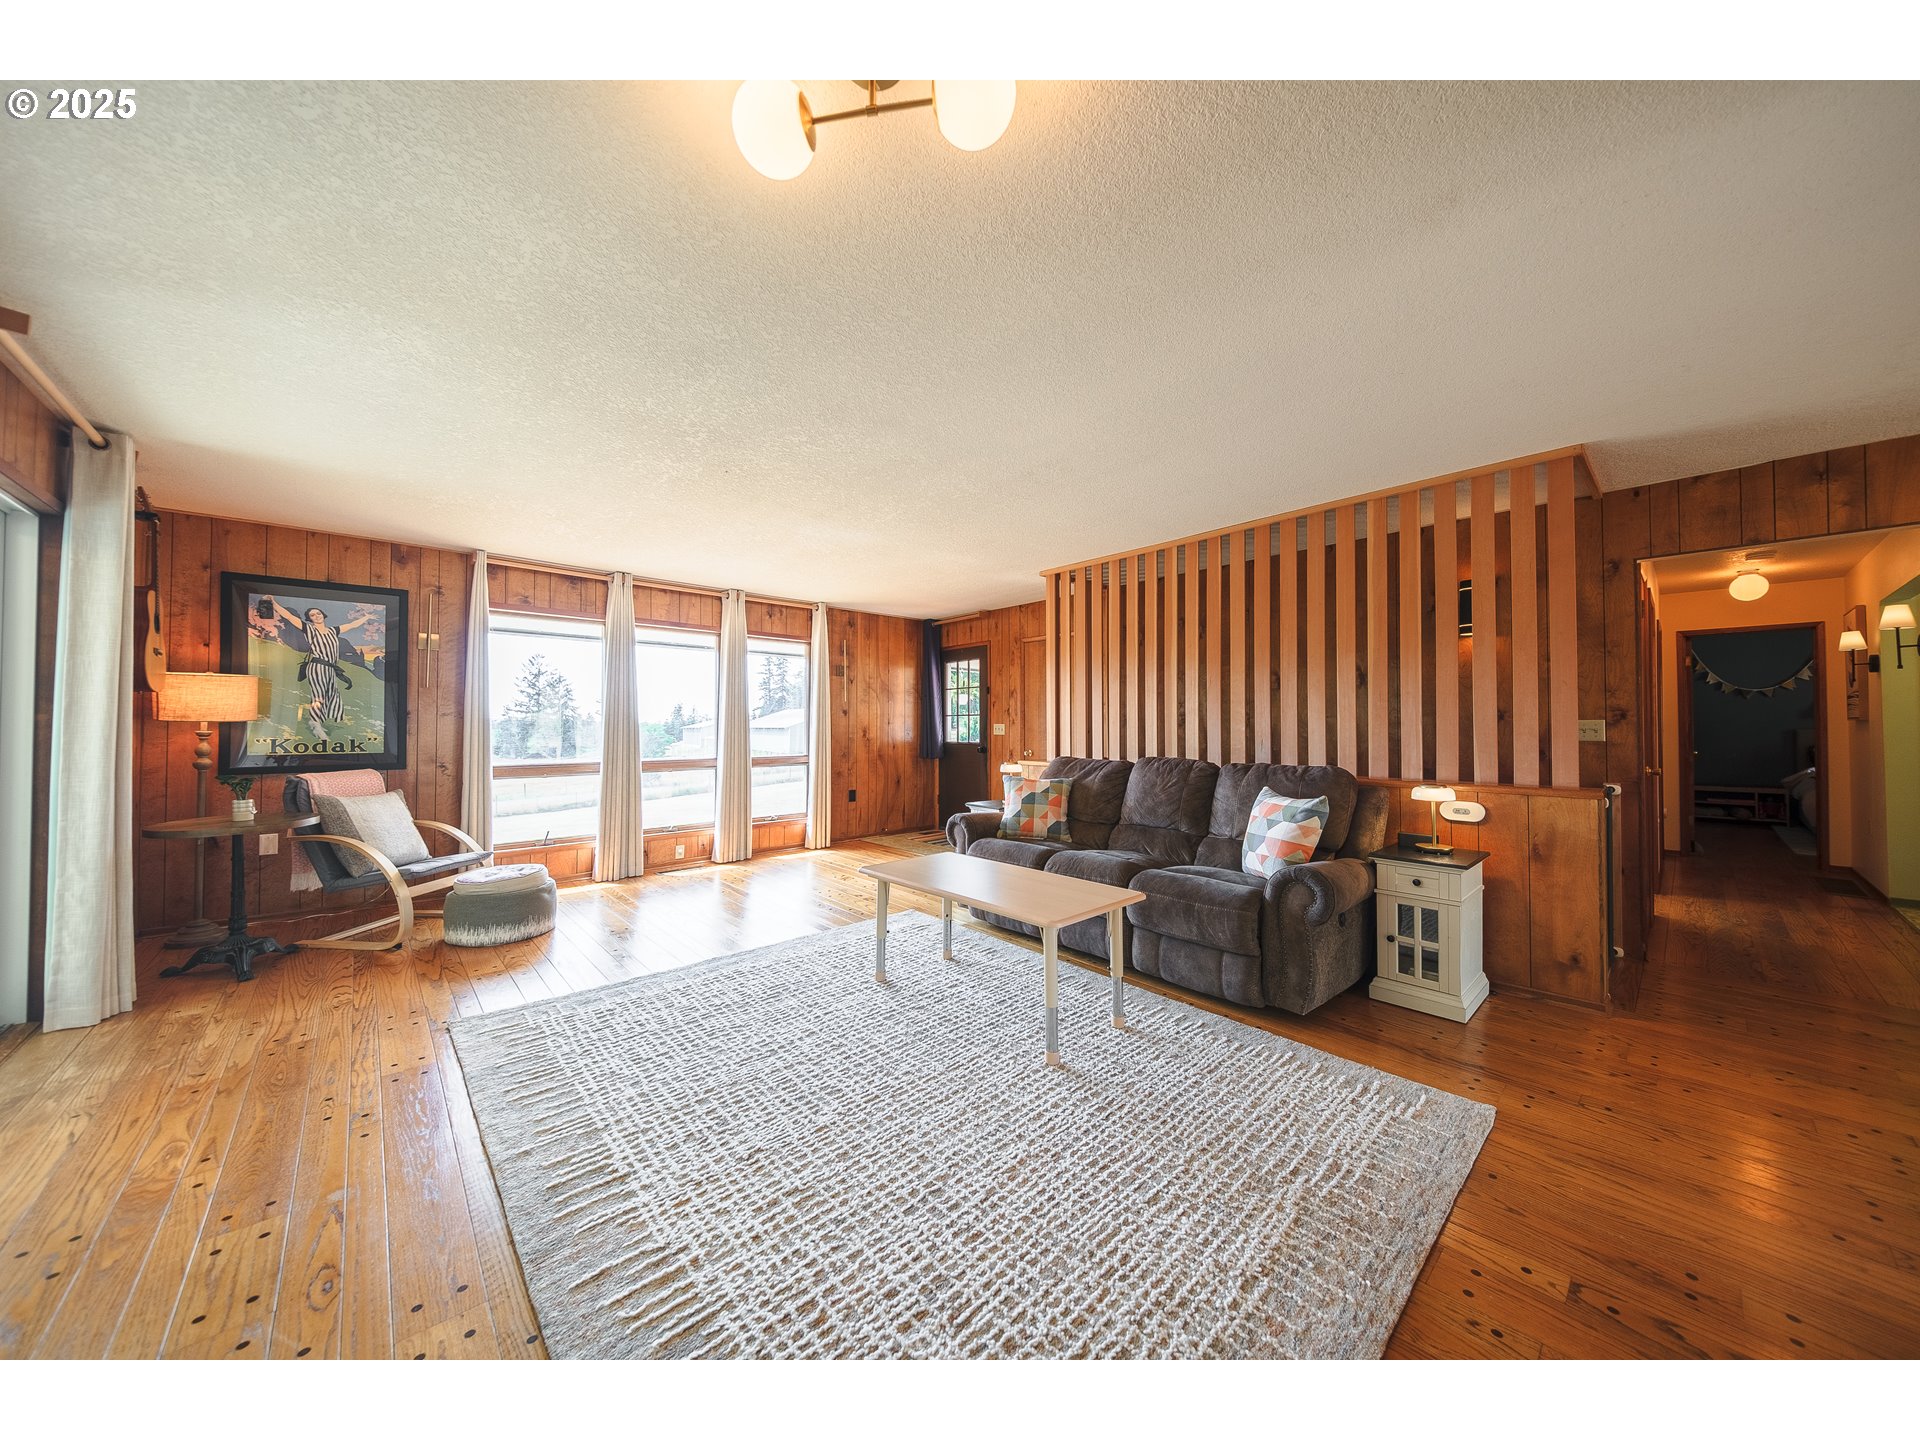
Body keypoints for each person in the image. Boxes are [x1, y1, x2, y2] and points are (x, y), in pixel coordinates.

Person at [262, 596, 373, 740]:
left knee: (331, 693)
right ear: (310, 619)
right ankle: (316, 725)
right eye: (312, 615)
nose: (316, 616)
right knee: (318, 696)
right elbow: (288, 616)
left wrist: (367, 617)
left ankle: (321, 720)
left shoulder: (333, 631)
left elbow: (352, 625)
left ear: (323, 615)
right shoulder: (309, 629)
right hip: (317, 667)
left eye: (318, 613)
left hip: (330, 668)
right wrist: (274, 603)